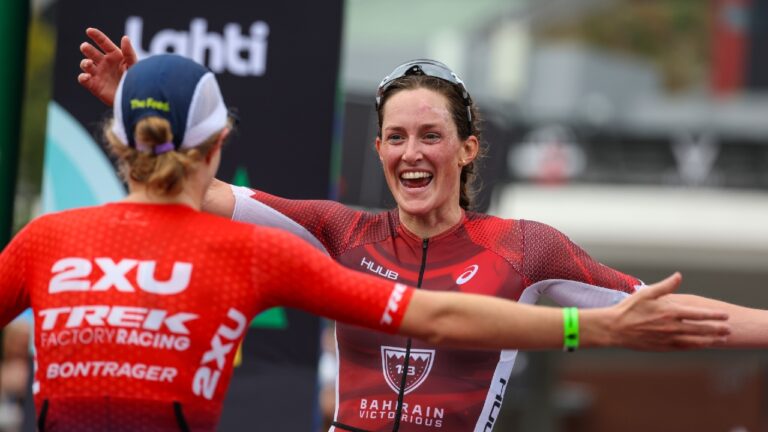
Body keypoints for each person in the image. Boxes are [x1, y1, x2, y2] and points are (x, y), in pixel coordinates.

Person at [75, 29, 761, 432]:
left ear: (467, 149)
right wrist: (147, 108)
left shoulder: (527, 246)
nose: (412, 152)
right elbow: (195, 183)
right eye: (396, 137)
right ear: (377, 150)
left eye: (431, 135)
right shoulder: (338, 230)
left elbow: (662, 314)